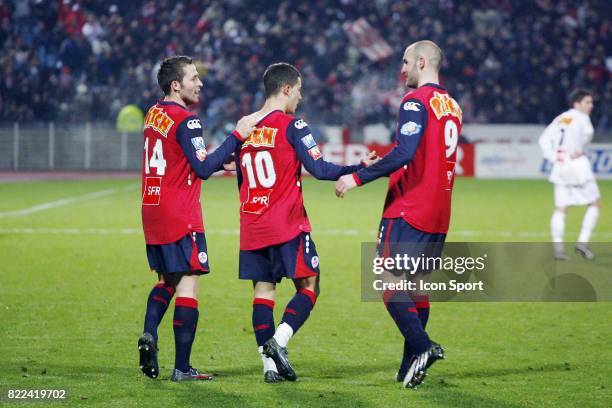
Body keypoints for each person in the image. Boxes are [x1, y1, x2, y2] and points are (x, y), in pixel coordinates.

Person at [234, 62, 378, 383]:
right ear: (286, 89)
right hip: (286, 222)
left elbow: (241, 181)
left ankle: (269, 368)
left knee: (263, 292)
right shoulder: (293, 125)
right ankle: (280, 341)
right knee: (310, 285)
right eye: (298, 90)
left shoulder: (244, 129)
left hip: (252, 223)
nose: (300, 97)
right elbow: (321, 169)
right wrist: (358, 168)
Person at [335, 40, 462, 388]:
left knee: (387, 279)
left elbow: (404, 152)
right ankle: (410, 366)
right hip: (440, 209)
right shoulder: (452, 105)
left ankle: (423, 347)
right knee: (416, 286)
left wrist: (356, 176)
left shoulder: (415, 101)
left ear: (422, 62)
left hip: (409, 207)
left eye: (406, 62)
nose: (402, 70)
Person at [138, 55, 256, 382]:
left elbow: (186, 158)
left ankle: (149, 333)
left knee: (167, 281)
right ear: (176, 85)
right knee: (189, 280)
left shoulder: (154, 114)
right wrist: (237, 136)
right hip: (180, 211)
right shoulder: (187, 119)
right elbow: (201, 168)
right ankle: (182, 368)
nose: (200, 83)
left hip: (153, 209)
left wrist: (219, 159)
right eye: (193, 78)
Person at [538, 89, 600, 260]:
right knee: (594, 204)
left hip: (560, 166)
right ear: (577, 103)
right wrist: (577, 150)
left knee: (561, 208)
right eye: (587, 102)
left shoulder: (561, 118)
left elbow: (543, 139)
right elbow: (586, 138)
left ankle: (558, 249)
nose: (591, 106)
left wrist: (554, 157)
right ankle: (582, 242)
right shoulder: (583, 119)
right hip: (578, 166)